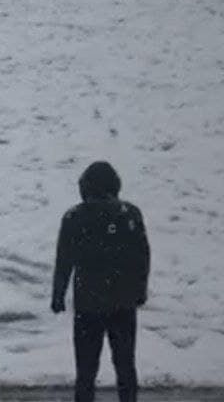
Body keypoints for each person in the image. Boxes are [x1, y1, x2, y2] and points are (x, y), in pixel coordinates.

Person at [52, 161, 150, 402]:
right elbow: (141, 256)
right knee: (125, 367)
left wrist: (58, 294)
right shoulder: (130, 214)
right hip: (123, 303)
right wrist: (139, 291)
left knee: (85, 372)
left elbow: (65, 260)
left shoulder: (74, 217)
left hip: (88, 304)